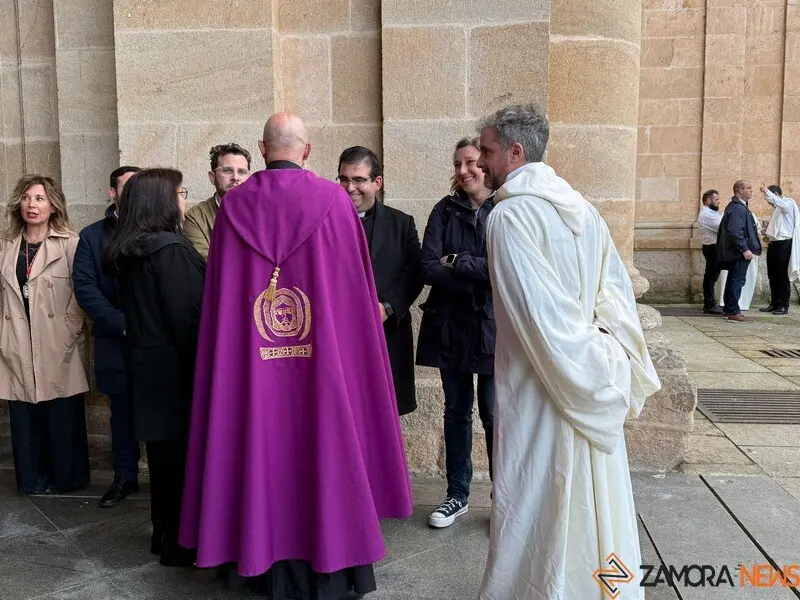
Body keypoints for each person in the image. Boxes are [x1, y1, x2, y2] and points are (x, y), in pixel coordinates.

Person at [179, 113, 412, 600]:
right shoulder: (334, 200)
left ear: (263, 149)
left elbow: (223, 302)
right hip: (322, 366)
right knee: (325, 445)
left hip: (252, 366)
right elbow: (353, 295)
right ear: (306, 151)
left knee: (258, 444)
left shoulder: (233, 206)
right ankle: (332, 561)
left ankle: (256, 556)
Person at [475, 104, 661, 600]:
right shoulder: (583, 209)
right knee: (587, 502)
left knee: (536, 500)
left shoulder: (510, 216)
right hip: (589, 375)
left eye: (488, 152)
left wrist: (584, 366)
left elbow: (538, 318)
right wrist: (605, 357)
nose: (481, 162)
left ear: (516, 152)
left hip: (540, 388)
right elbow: (615, 297)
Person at [103, 168, 204, 566]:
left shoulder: (133, 248)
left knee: (165, 463)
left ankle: (166, 537)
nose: (184, 199)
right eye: (180, 192)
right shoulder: (169, 250)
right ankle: (182, 545)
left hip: (148, 369)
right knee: (182, 462)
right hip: (176, 373)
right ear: (161, 201)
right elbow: (190, 320)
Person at [416, 137, 496, 529]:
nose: (464, 171)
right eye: (458, 164)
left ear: (487, 164)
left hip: (494, 328)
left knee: (496, 414)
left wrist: (459, 262)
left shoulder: (506, 209)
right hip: (451, 327)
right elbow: (428, 267)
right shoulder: (444, 210)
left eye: (472, 162)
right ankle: (457, 495)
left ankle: (504, 498)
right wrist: (481, 276)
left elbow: (507, 267)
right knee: (457, 411)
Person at [0, 175, 90, 495]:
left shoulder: (70, 242)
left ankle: (68, 478)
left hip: (57, 338)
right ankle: (32, 479)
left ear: (53, 205)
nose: (32, 205)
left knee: (62, 408)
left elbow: (83, 291)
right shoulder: (6, 245)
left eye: (40, 198)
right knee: (24, 411)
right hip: (16, 336)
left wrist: (69, 328)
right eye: (26, 198)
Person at [73, 165, 142, 507]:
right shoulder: (91, 236)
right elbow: (85, 287)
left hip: (155, 341)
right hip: (115, 338)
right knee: (122, 412)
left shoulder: (160, 230)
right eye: (127, 187)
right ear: (112, 193)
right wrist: (121, 322)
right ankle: (124, 477)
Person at [336, 146, 423, 416]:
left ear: (377, 182)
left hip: (387, 332)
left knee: (386, 412)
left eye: (359, 179)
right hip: (339, 336)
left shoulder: (402, 224)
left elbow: (414, 272)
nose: (350, 187)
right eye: (344, 179)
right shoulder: (326, 223)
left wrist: (385, 307)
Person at [183, 143, 252, 260]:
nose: (235, 177)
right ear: (212, 177)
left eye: (241, 172)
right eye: (227, 170)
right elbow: (205, 262)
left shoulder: (263, 212)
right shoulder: (195, 217)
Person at [717, 180, 762, 323]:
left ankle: (729, 309)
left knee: (733, 280)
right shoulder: (737, 208)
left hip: (736, 252)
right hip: (738, 253)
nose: (752, 190)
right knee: (737, 280)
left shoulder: (737, 206)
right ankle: (733, 311)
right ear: (740, 190)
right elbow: (735, 231)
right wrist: (745, 249)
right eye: (749, 188)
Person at [759, 184, 800, 315]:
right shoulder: (776, 209)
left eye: (769, 198)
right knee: (772, 275)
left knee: (782, 275)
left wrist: (766, 192)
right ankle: (775, 303)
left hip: (784, 244)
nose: (768, 202)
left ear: (776, 194)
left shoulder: (788, 203)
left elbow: (781, 204)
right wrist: (767, 230)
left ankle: (783, 305)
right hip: (774, 244)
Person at [697, 189, 723, 314]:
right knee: (711, 276)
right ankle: (709, 304)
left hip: (714, 247)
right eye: (716, 199)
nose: (718, 202)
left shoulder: (712, 213)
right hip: (712, 247)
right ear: (708, 201)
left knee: (712, 276)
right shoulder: (707, 215)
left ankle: (711, 303)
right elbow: (722, 227)